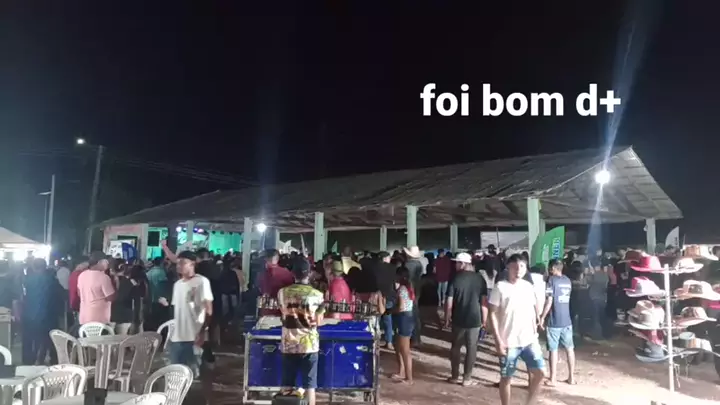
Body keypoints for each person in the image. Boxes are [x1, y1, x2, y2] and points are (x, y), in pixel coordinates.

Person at [488, 254, 544, 405]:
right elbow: (492, 313)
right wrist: (498, 340)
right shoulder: (500, 287)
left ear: (526, 268)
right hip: (509, 341)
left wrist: (536, 324)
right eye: (515, 266)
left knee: (540, 373)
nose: (518, 270)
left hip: (529, 339)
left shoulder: (528, 286)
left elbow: (533, 308)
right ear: (508, 267)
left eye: (522, 266)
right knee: (507, 377)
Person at [277, 258, 325, 405]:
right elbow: (319, 321)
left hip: (289, 343)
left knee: (287, 384)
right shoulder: (317, 295)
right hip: (309, 345)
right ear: (309, 274)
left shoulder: (282, 293)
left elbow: (283, 314)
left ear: (293, 273)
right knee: (310, 386)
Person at [444, 252, 488, 386]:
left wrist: (447, 317)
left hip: (458, 319)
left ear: (463, 264)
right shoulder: (480, 279)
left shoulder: (455, 278)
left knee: (455, 348)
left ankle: (454, 376)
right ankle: (467, 378)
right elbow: (484, 302)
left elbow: (449, 301)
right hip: (475, 319)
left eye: (457, 263)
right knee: (471, 348)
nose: (455, 265)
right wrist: (484, 321)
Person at [169, 251, 213, 378]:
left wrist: (203, 331)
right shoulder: (177, 285)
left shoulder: (201, 282)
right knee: (176, 374)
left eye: (182, 263)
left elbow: (208, 308)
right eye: (177, 263)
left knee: (193, 374)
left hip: (194, 336)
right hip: (177, 337)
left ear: (192, 264)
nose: (179, 266)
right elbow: (177, 309)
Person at [540, 259, 575, 386]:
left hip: (554, 320)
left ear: (553, 268)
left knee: (553, 350)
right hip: (567, 320)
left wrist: (542, 317)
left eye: (550, 268)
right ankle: (571, 378)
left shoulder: (551, 281)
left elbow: (549, 301)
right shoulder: (568, 280)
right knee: (569, 349)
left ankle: (553, 379)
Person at [22, 258, 61, 365]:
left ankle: (29, 361)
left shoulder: (27, 280)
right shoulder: (51, 280)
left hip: (30, 314)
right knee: (48, 339)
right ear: (45, 266)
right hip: (48, 314)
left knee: (31, 339)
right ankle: (46, 359)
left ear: (33, 267)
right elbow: (60, 295)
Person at [77, 252, 116, 326]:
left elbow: (79, 293)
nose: (107, 263)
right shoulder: (104, 277)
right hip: (99, 319)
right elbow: (111, 297)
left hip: (84, 317)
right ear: (99, 262)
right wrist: (117, 282)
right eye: (106, 261)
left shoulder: (82, 275)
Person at [391, 267, 415, 384]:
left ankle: (409, 378)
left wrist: (391, 311)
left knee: (405, 350)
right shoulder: (409, 287)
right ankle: (402, 373)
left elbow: (400, 307)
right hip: (409, 317)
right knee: (401, 347)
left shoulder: (401, 289)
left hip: (403, 318)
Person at [374, 252, 397, 348]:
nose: (390, 259)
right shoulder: (392, 268)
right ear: (384, 258)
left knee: (377, 320)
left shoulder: (375, 268)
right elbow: (394, 283)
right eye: (388, 257)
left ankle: (375, 341)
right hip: (389, 297)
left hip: (378, 298)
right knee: (388, 319)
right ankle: (389, 342)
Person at [403, 246, 424, 345]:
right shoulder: (419, 264)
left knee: (409, 313)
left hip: (409, 290)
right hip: (417, 289)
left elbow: (406, 279)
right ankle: (417, 337)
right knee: (416, 314)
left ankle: (412, 337)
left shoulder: (407, 265)